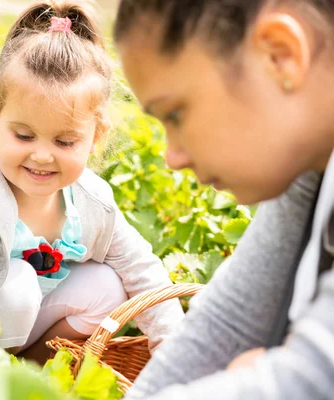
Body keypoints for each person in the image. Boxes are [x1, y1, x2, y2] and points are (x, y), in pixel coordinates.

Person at [0, 0, 184, 363]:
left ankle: (31, 371)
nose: (42, 156)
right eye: (24, 136)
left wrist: (175, 353)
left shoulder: (90, 202)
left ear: (95, 138)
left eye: (64, 142)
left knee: (109, 286)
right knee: (16, 283)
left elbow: (143, 270)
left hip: (15, 327)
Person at [113, 0, 334, 398]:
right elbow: (231, 322)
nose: (172, 156)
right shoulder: (310, 164)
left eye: (175, 114)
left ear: (280, 55)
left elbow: (312, 376)